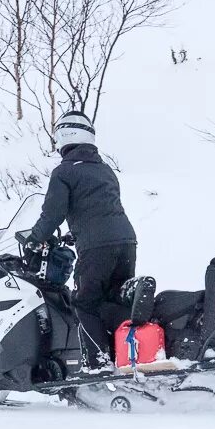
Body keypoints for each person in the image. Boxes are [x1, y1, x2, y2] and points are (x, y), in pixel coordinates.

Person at [28, 110, 138, 371]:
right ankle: (126, 357)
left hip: (96, 247)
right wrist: (72, 233)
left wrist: (35, 239)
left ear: (63, 137)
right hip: (126, 242)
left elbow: (52, 213)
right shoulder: (105, 170)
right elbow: (98, 208)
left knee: (84, 303)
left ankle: (97, 365)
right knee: (115, 301)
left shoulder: (64, 172)